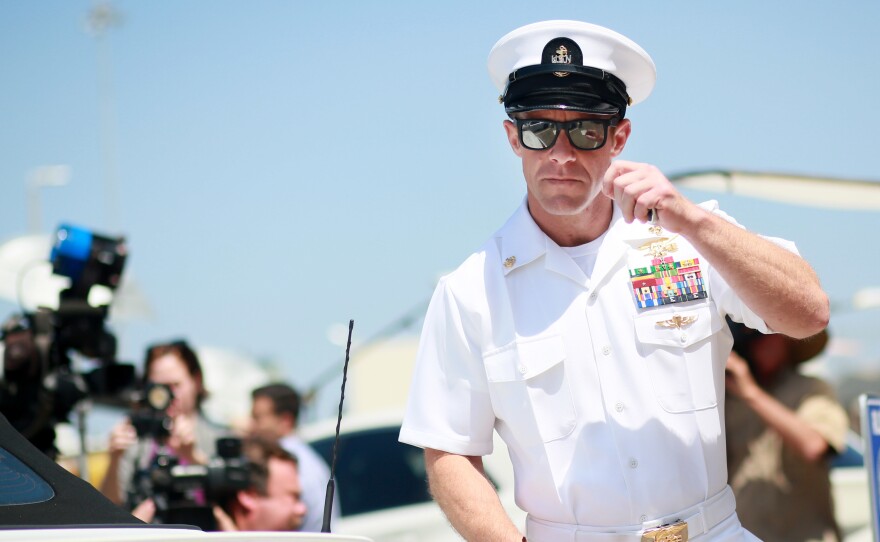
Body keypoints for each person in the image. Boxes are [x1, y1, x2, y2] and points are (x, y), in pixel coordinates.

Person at [398, 19, 830, 542]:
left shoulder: (691, 237)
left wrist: (693, 220)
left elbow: (809, 313)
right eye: (539, 129)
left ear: (619, 137)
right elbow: (448, 450)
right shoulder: (470, 292)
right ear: (513, 138)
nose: (560, 153)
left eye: (585, 131)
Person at [725, 321, 848, 542]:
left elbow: (814, 446)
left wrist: (752, 394)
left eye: (769, 332)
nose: (763, 342)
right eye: (756, 335)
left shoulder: (811, 389)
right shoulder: (728, 398)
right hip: (748, 534)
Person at [100, 339, 227, 508]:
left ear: (196, 381)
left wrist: (193, 457)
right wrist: (114, 460)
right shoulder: (135, 440)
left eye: (176, 385)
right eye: (159, 388)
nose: (168, 395)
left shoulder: (219, 439)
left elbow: (231, 499)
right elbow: (108, 507)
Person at [250, 383, 338, 532]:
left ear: (285, 421)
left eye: (257, 418)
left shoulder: (281, 463)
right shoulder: (308, 459)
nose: (251, 426)